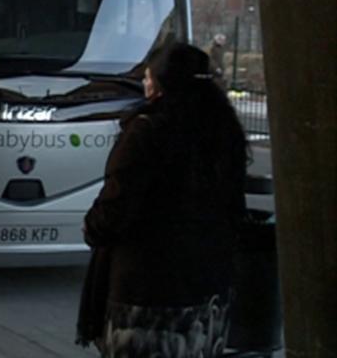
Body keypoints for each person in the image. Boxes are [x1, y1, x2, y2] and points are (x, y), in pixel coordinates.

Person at [77, 43, 248, 356]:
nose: (144, 85)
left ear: (159, 84)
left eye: (147, 78)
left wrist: (91, 228)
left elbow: (116, 207)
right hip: (208, 288)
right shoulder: (224, 131)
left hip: (148, 294)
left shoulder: (147, 131)